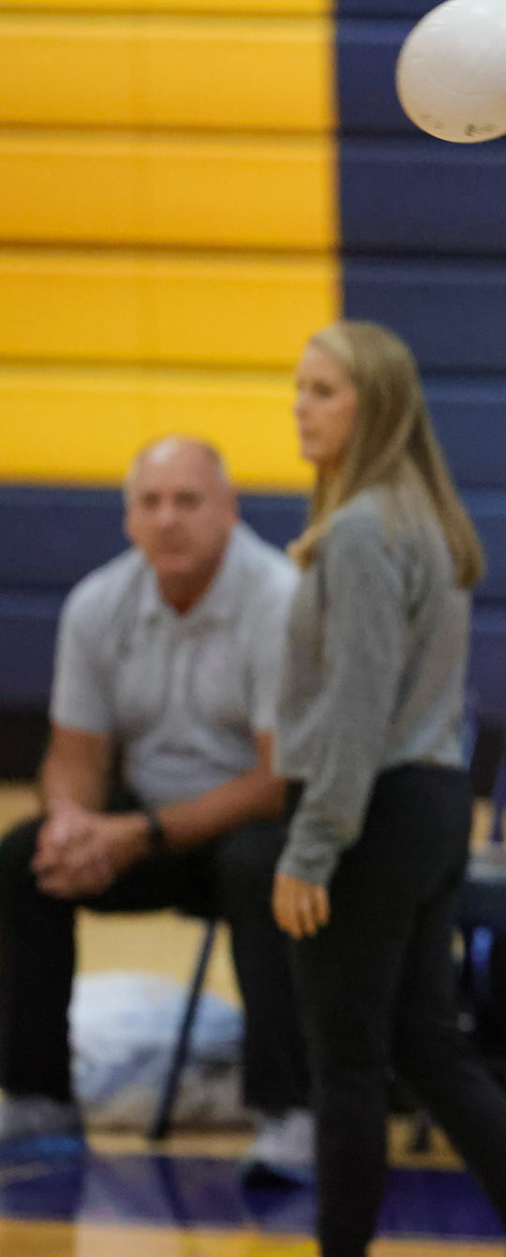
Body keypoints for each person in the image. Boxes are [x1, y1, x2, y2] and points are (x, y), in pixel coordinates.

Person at [275, 320, 506, 1257]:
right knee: (423, 1045)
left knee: (348, 1061)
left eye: (322, 391)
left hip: (368, 808)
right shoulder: (418, 514)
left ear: (374, 405)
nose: (301, 406)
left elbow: (357, 705)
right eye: (299, 387)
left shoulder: (364, 527)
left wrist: (312, 843)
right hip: (431, 803)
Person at [0, 437, 310, 1180]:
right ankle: (37, 1097)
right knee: (25, 855)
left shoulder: (279, 600)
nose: (169, 520)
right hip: (145, 828)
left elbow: (279, 779)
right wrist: (73, 822)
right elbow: (74, 757)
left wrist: (138, 833)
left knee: (257, 864)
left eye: (188, 501)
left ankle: (292, 1111)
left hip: (255, 822)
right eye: (151, 503)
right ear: (128, 519)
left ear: (230, 511)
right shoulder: (97, 605)